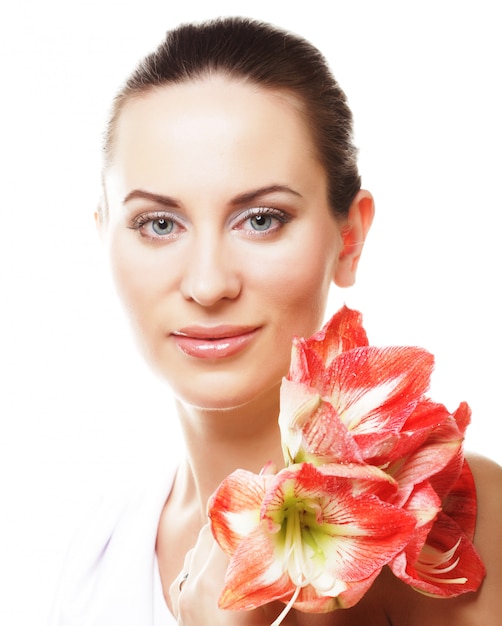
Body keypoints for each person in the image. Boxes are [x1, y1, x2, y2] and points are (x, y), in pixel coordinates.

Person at [48, 16, 502, 626]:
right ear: (105, 240)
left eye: (260, 218)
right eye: (159, 224)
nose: (208, 284)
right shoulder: (95, 553)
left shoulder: (449, 519)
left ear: (349, 238)